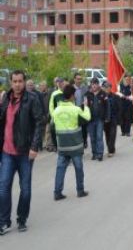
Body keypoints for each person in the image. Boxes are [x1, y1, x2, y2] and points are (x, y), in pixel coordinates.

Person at [0, 70, 44, 235]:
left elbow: (40, 122)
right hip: (7, 152)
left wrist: (34, 146)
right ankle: (4, 221)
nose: (17, 84)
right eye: (14, 81)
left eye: (20, 81)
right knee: (3, 188)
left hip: (25, 153)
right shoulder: (5, 98)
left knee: (25, 189)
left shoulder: (31, 99)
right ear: (10, 82)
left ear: (24, 82)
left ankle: (21, 219)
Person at [52, 85, 90, 201]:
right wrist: (86, 107)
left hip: (62, 145)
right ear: (72, 96)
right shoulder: (75, 109)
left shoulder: (56, 110)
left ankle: (57, 192)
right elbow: (87, 118)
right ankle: (80, 190)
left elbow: (52, 125)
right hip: (75, 145)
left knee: (60, 168)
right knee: (78, 167)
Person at [85, 78, 110, 161]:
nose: (94, 85)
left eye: (95, 83)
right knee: (92, 137)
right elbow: (84, 107)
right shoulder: (88, 94)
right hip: (90, 119)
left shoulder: (103, 94)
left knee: (99, 136)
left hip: (100, 119)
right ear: (91, 85)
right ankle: (94, 153)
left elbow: (107, 106)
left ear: (98, 84)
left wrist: (107, 117)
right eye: (92, 84)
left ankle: (100, 154)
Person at [102, 81, 122, 157]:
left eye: (108, 87)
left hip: (113, 118)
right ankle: (110, 148)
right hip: (105, 119)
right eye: (105, 87)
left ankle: (111, 150)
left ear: (111, 88)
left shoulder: (116, 97)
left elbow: (119, 109)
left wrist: (118, 119)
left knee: (112, 134)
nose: (107, 89)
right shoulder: (101, 97)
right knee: (107, 135)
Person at [49, 77, 66, 152]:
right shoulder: (54, 94)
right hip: (56, 117)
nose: (60, 84)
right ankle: (56, 146)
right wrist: (53, 115)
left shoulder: (67, 93)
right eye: (58, 82)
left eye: (61, 82)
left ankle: (65, 148)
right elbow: (51, 105)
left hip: (66, 117)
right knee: (52, 128)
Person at [73, 73, 89, 148]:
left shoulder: (84, 88)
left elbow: (87, 97)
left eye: (80, 79)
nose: (79, 80)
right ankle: (76, 142)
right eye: (78, 79)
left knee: (84, 127)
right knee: (75, 127)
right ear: (74, 79)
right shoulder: (71, 88)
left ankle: (84, 141)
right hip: (74, 111)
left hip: (82, 110)